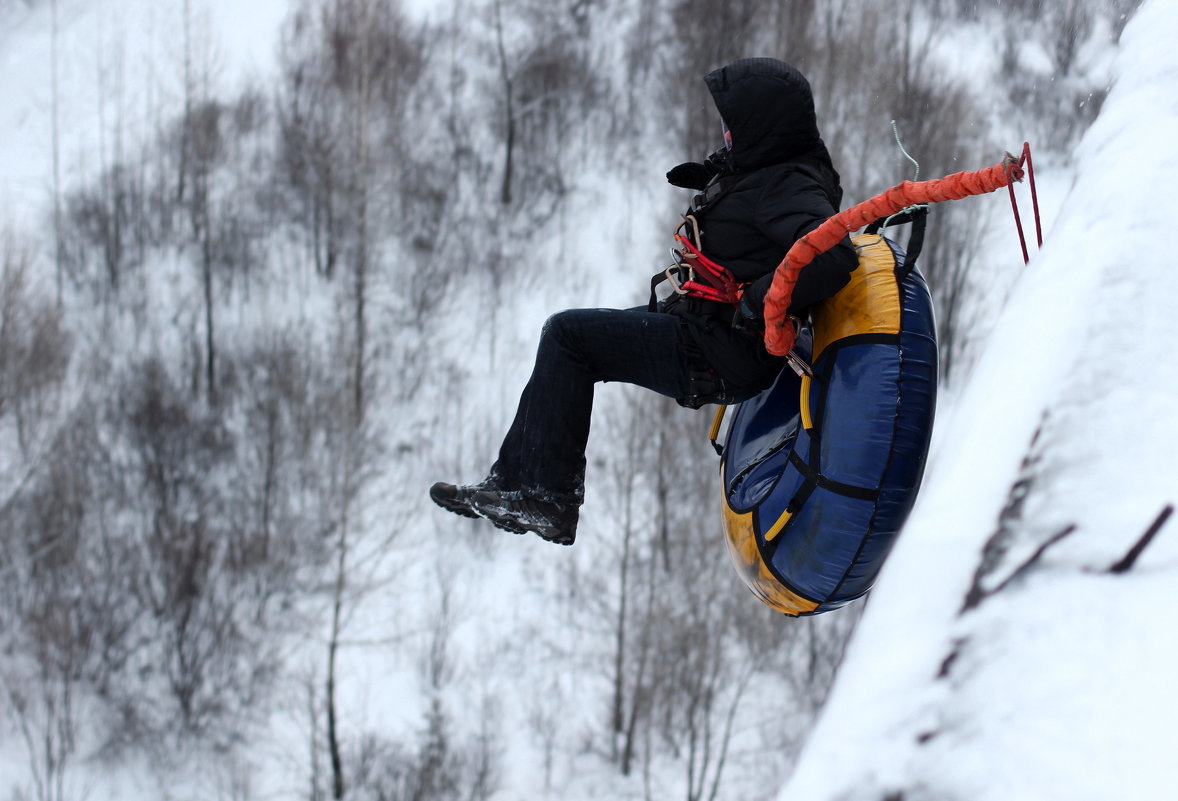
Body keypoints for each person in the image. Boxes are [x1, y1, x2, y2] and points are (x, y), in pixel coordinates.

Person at [430, 58, 857, 545]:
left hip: (719, 352)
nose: (724, 132)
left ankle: (545, 499)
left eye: (732, 125)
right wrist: (716, 178)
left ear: (762, 127)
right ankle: (515, 484)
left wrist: (759, 298)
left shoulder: (787, 184)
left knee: (569, 337)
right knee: (568, 347)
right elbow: (763, 214)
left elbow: (831, 258)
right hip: (701, 325)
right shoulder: (775, 166)